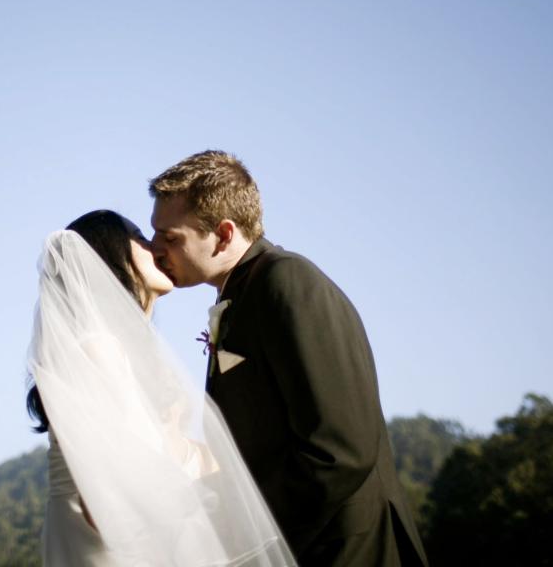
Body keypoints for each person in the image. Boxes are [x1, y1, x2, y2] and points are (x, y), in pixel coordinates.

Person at [149, 151, 429, 567]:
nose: (155, 249)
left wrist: (244, 531)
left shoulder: (287, 282)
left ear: (224, 235)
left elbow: (340, 449)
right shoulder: (244, 295)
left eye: (170, 238)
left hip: (345, 549)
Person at [26, 210, 295, 566]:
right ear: (108, 254)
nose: (154, 246)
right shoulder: (97, 348)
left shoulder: (121, 349)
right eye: (138, 236)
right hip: (104, 548)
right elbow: (106, 495)